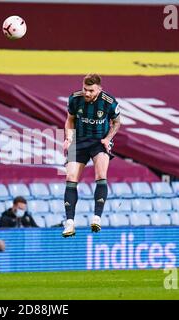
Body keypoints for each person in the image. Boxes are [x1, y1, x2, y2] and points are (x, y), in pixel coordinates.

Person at [62, 74, 121, 237]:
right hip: (78, 141)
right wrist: (69, 138)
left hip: (99, 141)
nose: (87, 93)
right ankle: (69, 223)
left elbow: (117, 123)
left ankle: (96, 218)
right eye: (85, 89)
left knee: (101, 174)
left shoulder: (109, 102)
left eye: (91, 90)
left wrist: (108, 139)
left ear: (99, 89)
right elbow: (70, 120)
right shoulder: (74, 98)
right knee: (70, 177)